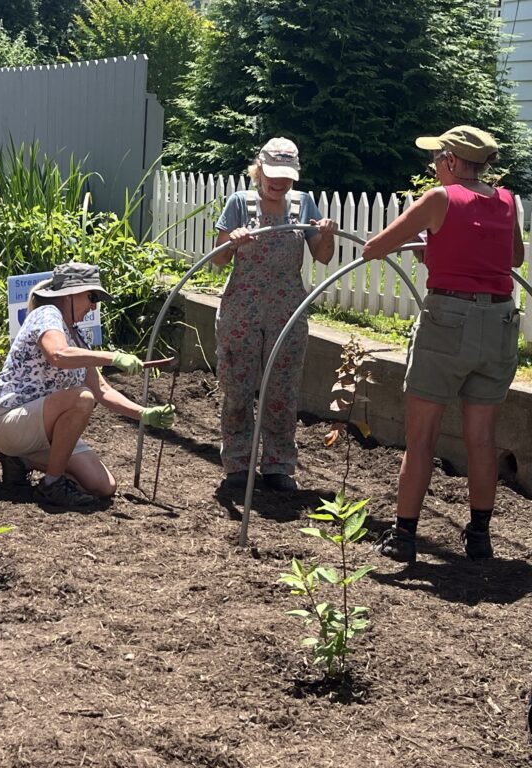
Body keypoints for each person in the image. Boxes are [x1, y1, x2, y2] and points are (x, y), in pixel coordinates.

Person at [361, 125, 523, 562]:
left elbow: (375, 248)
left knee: (422, 435)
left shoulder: (439, 198)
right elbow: (512, 260)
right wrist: (438, 247)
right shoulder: (507, 201)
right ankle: (480, 537)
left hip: (448, 322)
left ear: (452, 160)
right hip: (500, 323)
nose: (433, 166)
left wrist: (421, 242)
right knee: (481, 437)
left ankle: (404, 538)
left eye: (436, 159)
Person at [0, 262, 176, 508]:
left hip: (39, 432)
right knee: (81, 398)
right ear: (71, 293)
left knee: (103, 486)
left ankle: (20, 461)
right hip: (8, 421)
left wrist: (144, 414)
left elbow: (103, 390)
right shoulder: (47, 314)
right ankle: (52, 484)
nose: (94, 306)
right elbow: (58, 355)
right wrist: (112, 356)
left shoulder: (77, 337)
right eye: (92, 297)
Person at [213, 137, 338, 492]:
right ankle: (237, 463)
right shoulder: (240, 203)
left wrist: (326, 235)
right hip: (242, 310)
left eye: (286, 176)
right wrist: (232, 242)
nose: (278, 182)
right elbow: (218, 260)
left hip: (287, 310)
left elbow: (323, 256)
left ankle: (279, 466)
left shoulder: (303, 205)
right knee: (237, 388)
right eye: (272, 174)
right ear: (259, 170)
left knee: (282, 391)